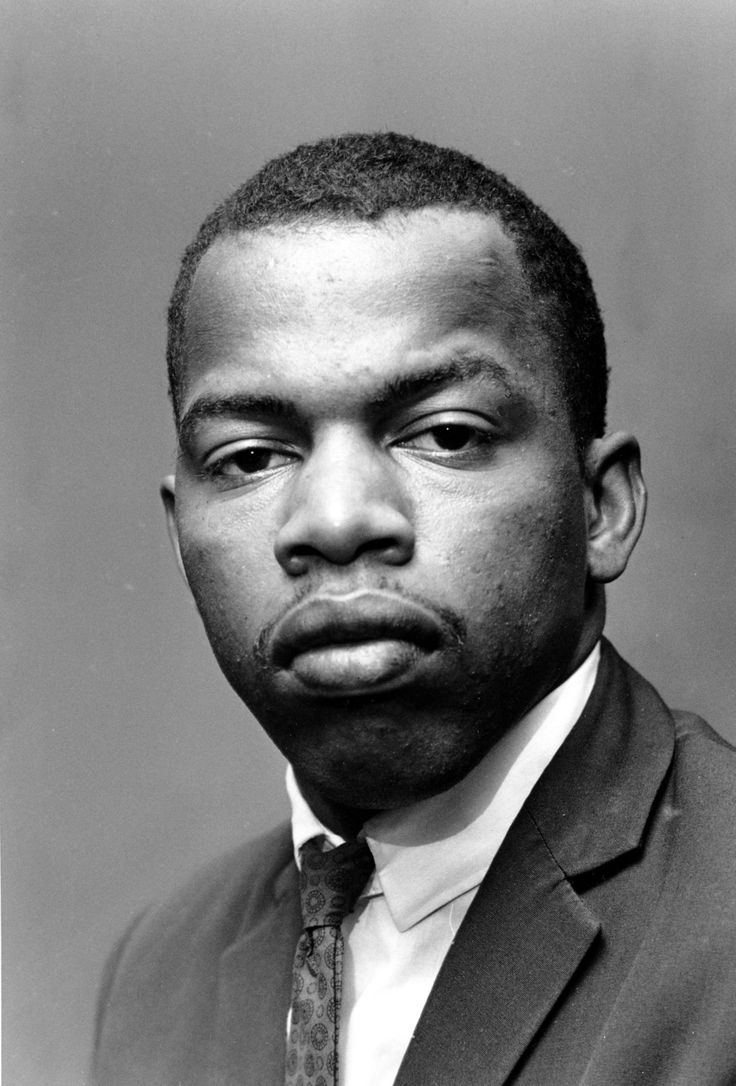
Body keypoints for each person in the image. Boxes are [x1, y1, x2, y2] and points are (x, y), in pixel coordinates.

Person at [92, 133, 736, 1086]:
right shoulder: (159, 970)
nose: (338, 520)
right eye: (251, 457)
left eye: (444, 435)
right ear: (179, 533)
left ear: (602, 506)